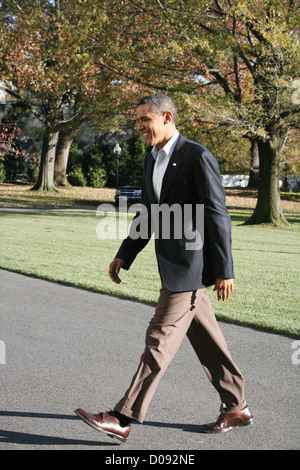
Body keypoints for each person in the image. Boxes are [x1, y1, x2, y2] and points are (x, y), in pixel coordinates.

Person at [75, 93, 253, 443]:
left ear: (167, 117)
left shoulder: (197, 156)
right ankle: (236, 407)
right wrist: (125, 254)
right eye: (138, 120)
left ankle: (122, 417)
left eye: (145, 119)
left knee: (159, 339)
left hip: (191, 266)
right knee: (208, 342)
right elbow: (148, 213)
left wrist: (225, 269)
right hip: (170, 264)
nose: (139, 126)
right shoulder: (152, 158)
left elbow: (218, 215)